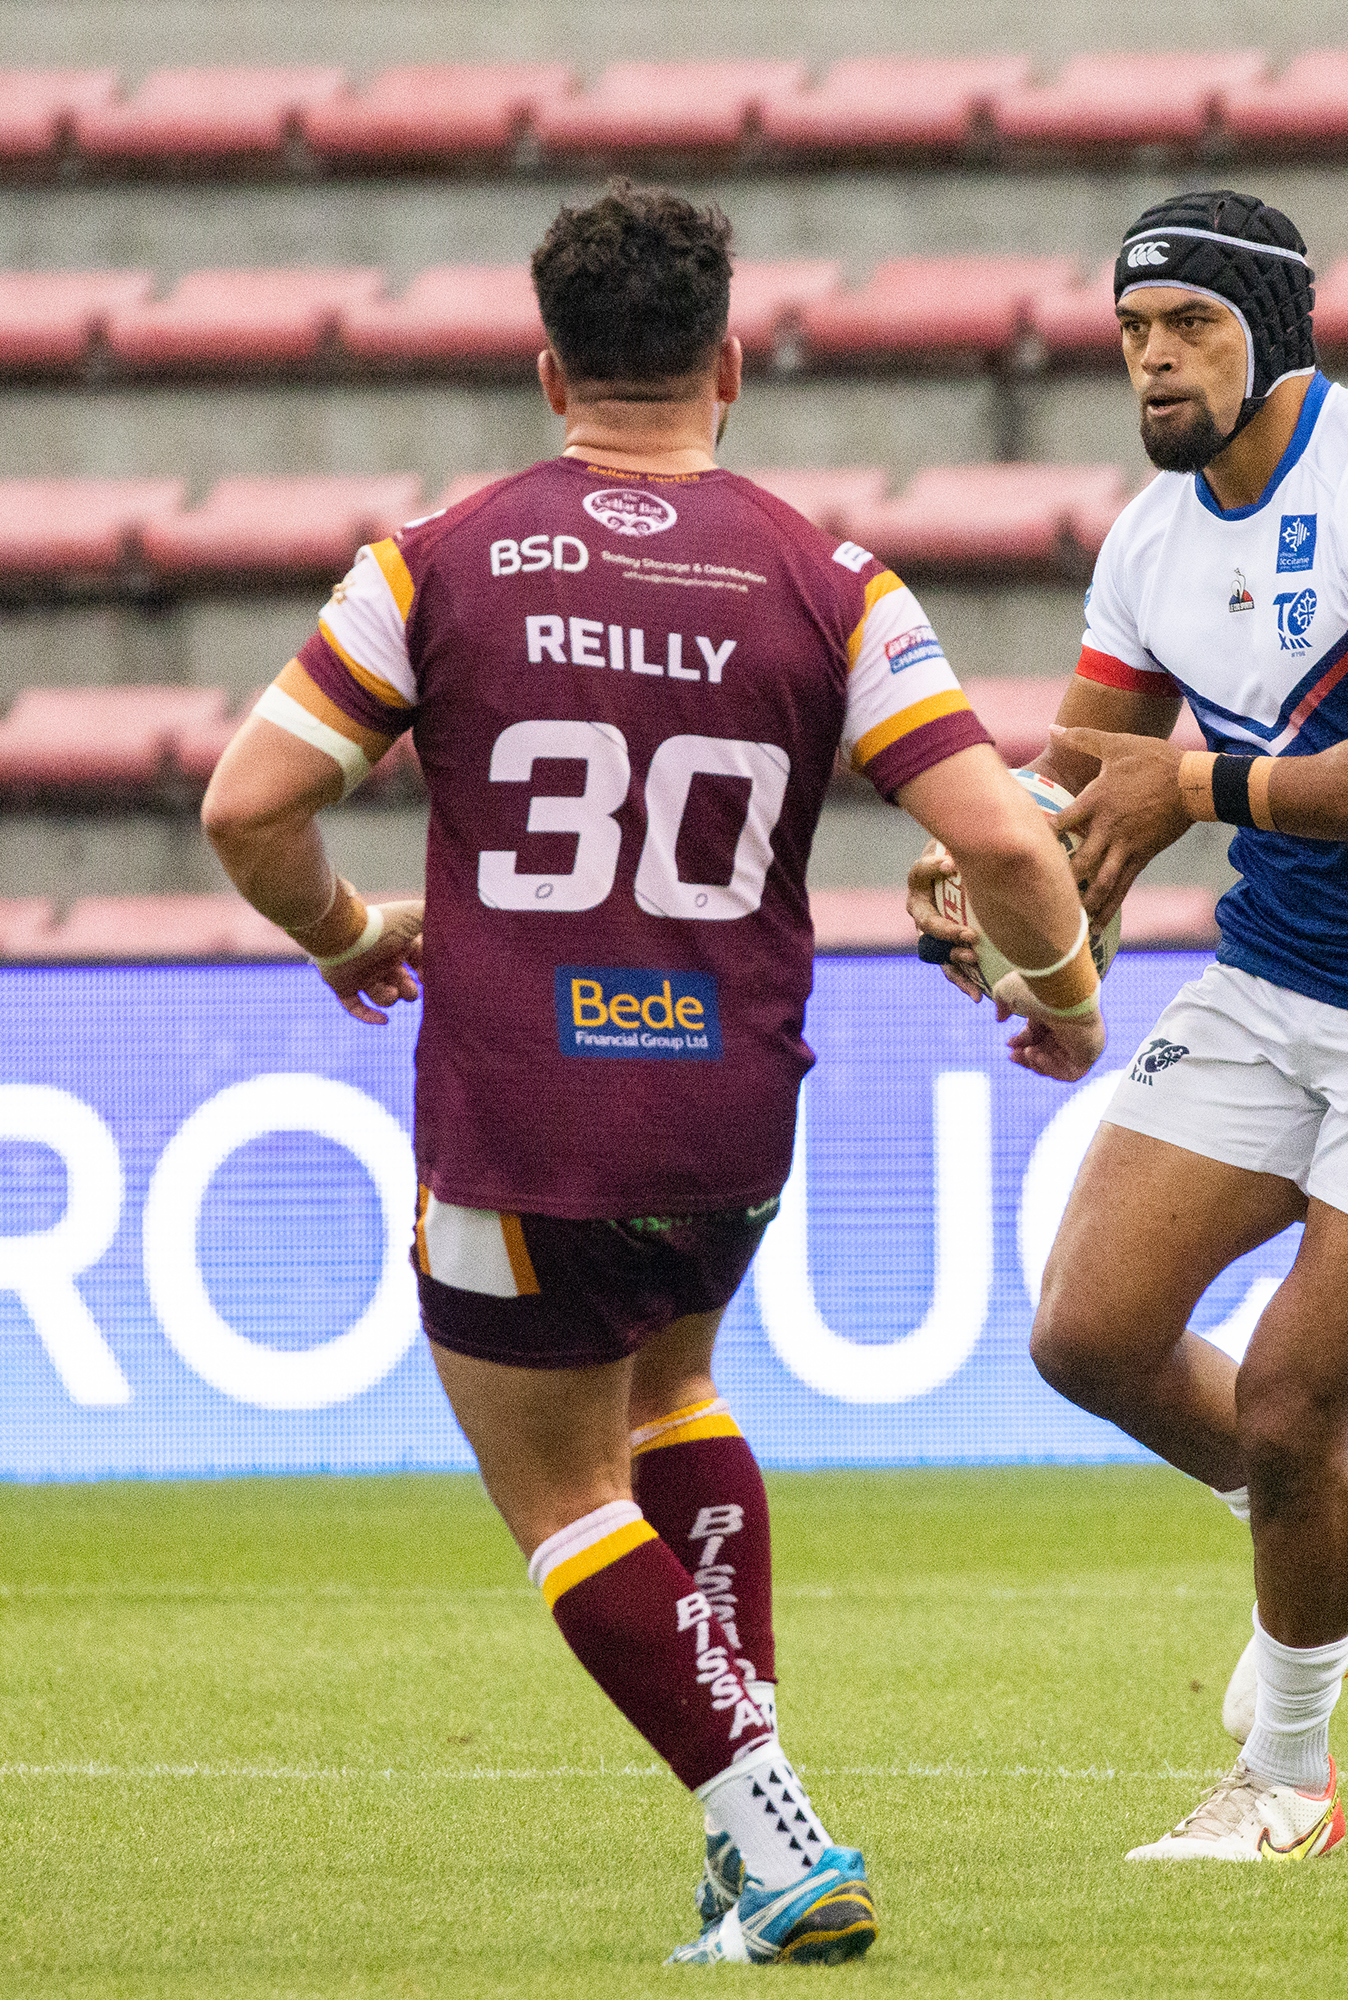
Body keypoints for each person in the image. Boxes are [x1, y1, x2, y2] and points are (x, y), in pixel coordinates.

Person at [201, 181, 1105, 1963]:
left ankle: (775, 1836)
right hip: (726, 1109)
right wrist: (1062, 997)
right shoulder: (834, 583)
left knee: (562, 1497)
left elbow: (248, 809)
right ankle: (743, 1847)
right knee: (673, 1400)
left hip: (526, 1116)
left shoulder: (433, 564)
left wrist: (344, 932)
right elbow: (1005, 840)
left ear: (552, 373)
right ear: (730, 367)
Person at [911, 189, 1348, 1860]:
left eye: (1190, 326)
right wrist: (997, 875)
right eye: (1133, 332)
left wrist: (1199, 785)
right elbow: (1090, 794)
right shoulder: (1151, 542)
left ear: (1272, 332)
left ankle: (1286, 1783)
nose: (1154, 360)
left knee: (1288, 1409)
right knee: (1086, 1335)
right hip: (1275, 982)